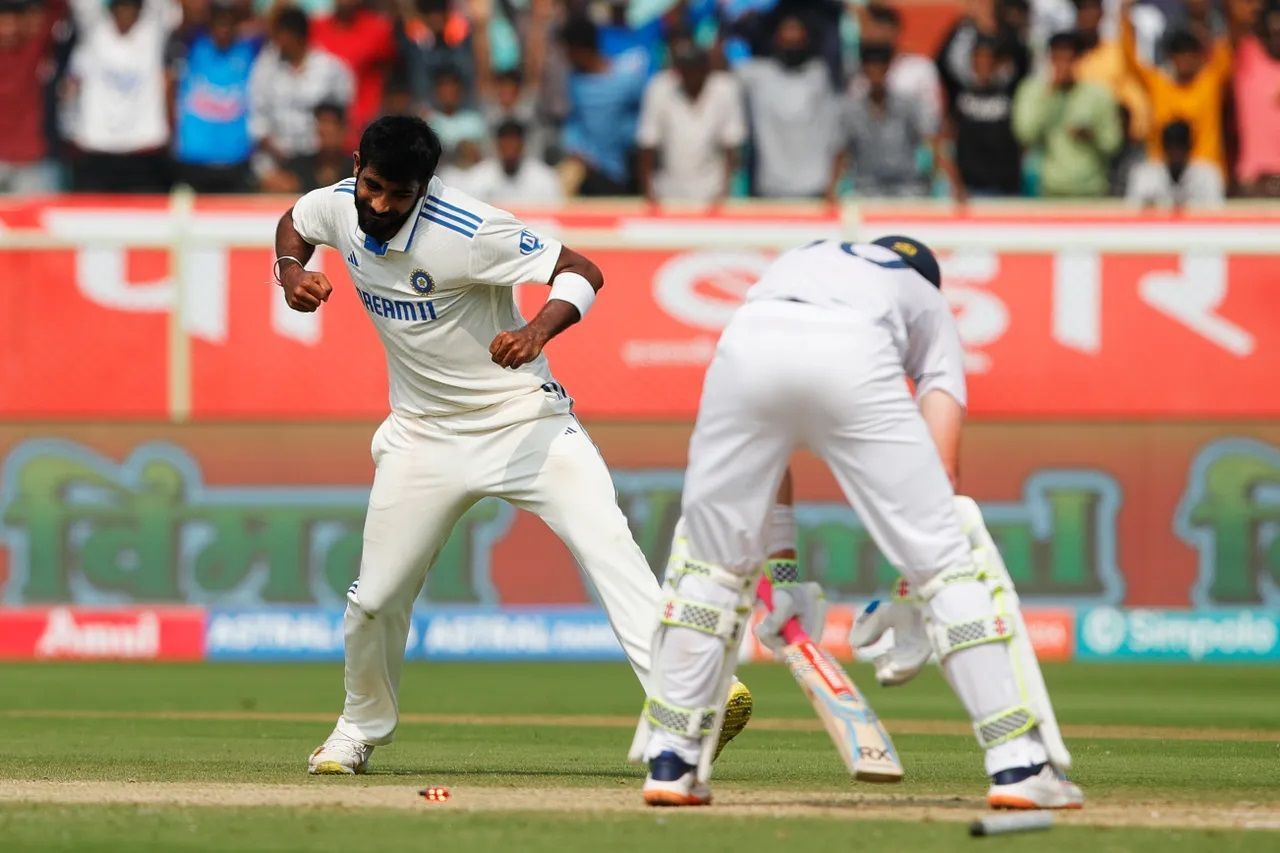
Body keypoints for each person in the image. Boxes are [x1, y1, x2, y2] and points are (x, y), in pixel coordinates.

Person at [273, 115, 751, 776]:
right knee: (376, 600)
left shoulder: (468, 230)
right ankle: (358, 728)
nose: (379, 205)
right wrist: (290, 269)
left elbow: (583, 270)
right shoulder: (339, 204)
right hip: (423, 436)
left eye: (397, 194)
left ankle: (692, 701)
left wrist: (535, 332)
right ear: (357, 166)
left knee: (607, 545)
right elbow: (296, 219)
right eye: (372, 187)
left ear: (424, 188)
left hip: (523, 419)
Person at [634, 235, 1084, 813]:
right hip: (852, 348)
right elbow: (940, 471)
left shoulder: (803, 263)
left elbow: (767, 468)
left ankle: (672, 762)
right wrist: (915, 588)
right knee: (951, 564)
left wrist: (783, 572)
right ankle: (1018, 766)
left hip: (746, 339)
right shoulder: (927, 299)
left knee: (712, 567)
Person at [66, 0, 180, 192]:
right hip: (97, 149)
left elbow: (163, 6)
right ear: (111, 10)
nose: (126, 14)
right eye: (121, 7)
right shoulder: (94, 30)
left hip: (143, 150)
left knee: (144, 221)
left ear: (140, 11)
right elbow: (82, 5)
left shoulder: (152, 31)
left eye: (132, 8)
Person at [1119, 0, 1236, 176]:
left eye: (1190, 53)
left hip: (1204, 170)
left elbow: (1226, 46)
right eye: (1179, 53)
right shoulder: (1158, 83)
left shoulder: (1210, 82)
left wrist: (1223, 12)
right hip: (1161, 170)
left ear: (1200, 57)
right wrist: (1125, 16)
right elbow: (1130, 60)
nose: (1185, 59)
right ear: (1170, 57)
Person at [840, 41, 965, 201]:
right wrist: (832, 187)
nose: (875, 75)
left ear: (888, 69)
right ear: (863, 72)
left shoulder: (908, 105)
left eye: (880, 69)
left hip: (908, 189)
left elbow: (931, 141)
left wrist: (954, 183)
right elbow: (841, 150)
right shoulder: (851, 110)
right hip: (867, 190)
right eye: (870, 70)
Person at [249, 6, 354, 192]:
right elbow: (257, 120)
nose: (276, 42)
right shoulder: (264, 69)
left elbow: (341, 116)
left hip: (317, 163)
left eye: (280, 35)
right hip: (277, 162)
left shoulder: (330, 69)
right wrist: (279, 153)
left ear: (296, 36)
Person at [736, 15, 840, 199]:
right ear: (776, 40)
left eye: (796, 39)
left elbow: (834, 136)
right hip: (770, 189)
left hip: (814, 188)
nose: (791, 42)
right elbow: (714, 67)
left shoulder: (821, 75)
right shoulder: (756, 75)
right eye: (786, 38)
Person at [635, 36, 746, 206]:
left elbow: (731, 145)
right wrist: (649, 193)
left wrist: (725, 193)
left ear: (706, 70)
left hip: (712, 192)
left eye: (695, 71)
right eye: (685, 71)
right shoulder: (660, 87)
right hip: (667, 192)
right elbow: (647, 143)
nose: (691, 77)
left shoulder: (726, 89)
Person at [1012, 30, 1121, 197]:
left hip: (1093, 191)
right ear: (1049, 60)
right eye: (1057, 60)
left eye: (1069, 60)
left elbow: (1113, 143)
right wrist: (1049, 96)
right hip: (1049, 190)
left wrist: (1091, 136)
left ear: (1080, 61)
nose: (1063, 66)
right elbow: (1025, 135)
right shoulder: (1033, 91)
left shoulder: (1099, 95)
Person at [173, 0, 262, 193]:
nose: (223, 29)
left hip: (235, 159)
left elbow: (270, 25)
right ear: (209, 26)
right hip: (194, 157)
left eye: (228, 24)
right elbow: (187, 16)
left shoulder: (248, 50)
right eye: (218, 23)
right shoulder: (192, 45)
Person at [559, 15, 648, 196]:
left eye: (568, 51)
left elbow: (644, 118)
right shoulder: (574, 82)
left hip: (623, 174)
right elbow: (573, 121)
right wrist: (575, 148)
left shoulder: (626, 80)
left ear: (580, 50)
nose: (565, 58)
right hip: (588, 172)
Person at [945, 34, 1024, 196]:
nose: (983, 65)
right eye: (978, 59)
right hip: (971, 189)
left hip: (1006, 188)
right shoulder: (960, 97)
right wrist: (956, 183)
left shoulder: (1012, 93)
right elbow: (949, 140)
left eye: (989, 59)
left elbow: (1022, 57)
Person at [312, 0, 396, 148]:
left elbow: (389, 72)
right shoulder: (316, 27)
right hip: (323, 129)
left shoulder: (379, 29)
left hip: (364, 126)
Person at [0, 0, 61, 193]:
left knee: (31, 221)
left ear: (23, 24)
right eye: (2, 23)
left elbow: (57, 9)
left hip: (27, 159)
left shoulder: (32, 48)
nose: (7, 30)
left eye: (13, 23)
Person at [442, 119, 563, 204]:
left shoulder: (544, 178)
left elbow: (554, 214)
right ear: (497, 145)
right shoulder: (479, 177)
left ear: (523, 146)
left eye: (514, 145)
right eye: (505, 145)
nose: (510, 150)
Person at [1232, 3, 1280, 196]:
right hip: (1254, 181)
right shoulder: (1247, 56)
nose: (1277, 37)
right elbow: (1235, 21)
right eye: (1272, 32)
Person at [1125, 120, 1223, 207]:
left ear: (1190, 147)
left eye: (1180, 147)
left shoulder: (1208, 175)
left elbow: (1217, 212)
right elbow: (1132, 212)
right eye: (1171, 147)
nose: (1176, 153)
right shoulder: (1144, 175)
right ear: (1163, 147)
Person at [426, 64, 488, 161]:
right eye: (443, 87)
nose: (448, 92)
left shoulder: (475, 120)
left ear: (461, 90)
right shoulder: (428, 121)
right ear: (436, 91)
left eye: (452, 86)